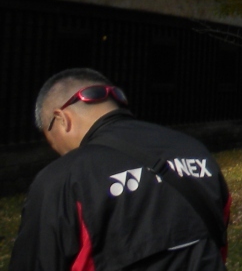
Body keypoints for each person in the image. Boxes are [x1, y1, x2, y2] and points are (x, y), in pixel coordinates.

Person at [9, 68, 230, 271]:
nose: (57, 151)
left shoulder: (63, 178)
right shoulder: (195, 150)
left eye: (51, 139)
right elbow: (218, 239)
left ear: (61, 119)